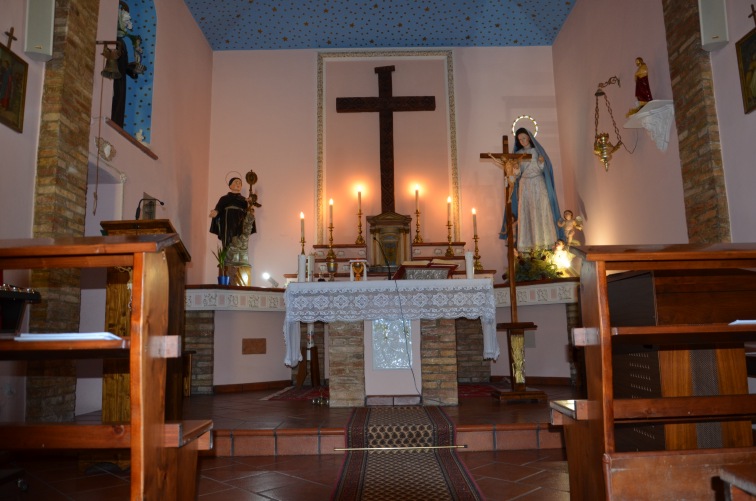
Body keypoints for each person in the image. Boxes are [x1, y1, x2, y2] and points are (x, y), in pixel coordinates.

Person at [500, 128, 564, 252]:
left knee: (541, 210)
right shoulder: (517, 154)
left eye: (524, 138)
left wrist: (541, 163)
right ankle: (528, 247)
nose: (522, 141)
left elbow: (544, 169)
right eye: (520, 139)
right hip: (525, 185)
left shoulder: (537, 151)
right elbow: (517, 175)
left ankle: (546, 245)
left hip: (538, 183)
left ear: (529, 137)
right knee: (527, 212)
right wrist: (516, 168)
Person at [209, 177, 250, 248]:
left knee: (240, 241)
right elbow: (219, 207)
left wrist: (250, 204)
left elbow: (248, 212)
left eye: (240, 183)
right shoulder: (224, 198)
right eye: (236, 182)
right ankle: (228, 256)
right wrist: (216, 211)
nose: (238, 184)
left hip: (240, 222)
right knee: (228, 241)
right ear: (230, 186)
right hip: (228, 222)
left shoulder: (244, 200)